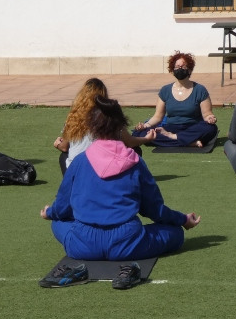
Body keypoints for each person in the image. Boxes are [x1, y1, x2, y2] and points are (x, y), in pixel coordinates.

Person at [42, 96, 201, 269]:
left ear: (92, 128)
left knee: (57, 222)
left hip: (84, 245)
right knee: (176, 232)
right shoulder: (135, 162)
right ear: (120, 127)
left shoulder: (80, 161)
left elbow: (63, 205)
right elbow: (155, 210)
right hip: (128, 243)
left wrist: (49, 212)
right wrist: (182, 219)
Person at [53, 77, 153, 174]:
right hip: (101, 167)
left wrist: (58, 144)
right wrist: (147, 139)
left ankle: (71, 186)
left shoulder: (73, 117)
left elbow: (65, 147)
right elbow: (130, 142)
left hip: (78, 170)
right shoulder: (109, 115)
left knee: (64, 156)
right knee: (135, 150)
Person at [131, 51, 218, 148]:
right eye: (177, 67)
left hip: (192, 128)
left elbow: (207, 114)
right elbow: (157, 117)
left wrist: (210, 118)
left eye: (183, 67)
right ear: (172, 70)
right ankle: (189, 142)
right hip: (170, 127)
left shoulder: (200, 90)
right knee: (139, 133)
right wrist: (145, 126)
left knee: (210, 129)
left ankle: (174, 138)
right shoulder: (165, 90)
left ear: (189, 70)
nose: (179, 69)